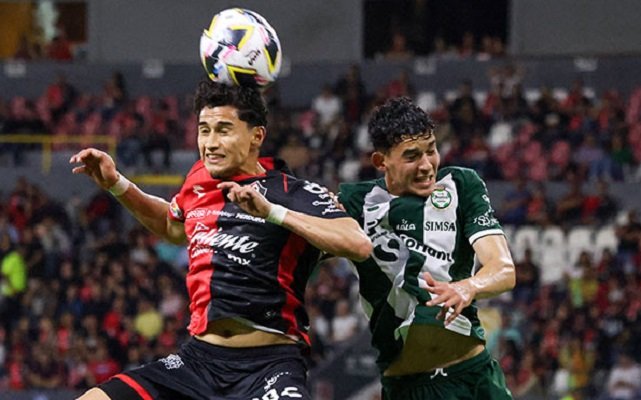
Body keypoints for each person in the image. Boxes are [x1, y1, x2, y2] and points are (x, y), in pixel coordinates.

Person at [70, 79, 372, 400]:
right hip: (197, 363)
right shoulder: (199, 182)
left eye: (223, 130)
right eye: (204, 130)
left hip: (269, 367)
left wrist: (273, 213)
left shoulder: (292, 192)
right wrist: (117, 184)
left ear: (257, 136)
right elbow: (173, 227)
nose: (210, 143)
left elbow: (358, 244)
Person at [338, 97, 515, 399]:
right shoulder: (354, 203)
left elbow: (504, 269)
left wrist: (468, 287)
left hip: (475, 375)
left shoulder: (461, 185)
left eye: (431, 150)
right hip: (410, 388)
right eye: (411, 156)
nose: (426, 165)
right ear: (381, 162)